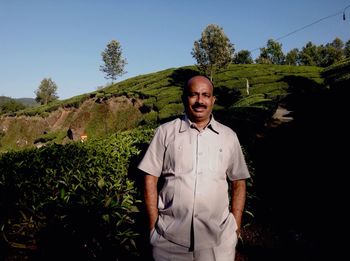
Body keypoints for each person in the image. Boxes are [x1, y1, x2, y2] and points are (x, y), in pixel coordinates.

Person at [138, 75, 250, 260]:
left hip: (218, 242)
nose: (200, 101)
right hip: (169, 242)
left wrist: (235, 227)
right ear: (184, 98)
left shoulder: (229, 136)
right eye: (194, 95)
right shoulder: (165, 132)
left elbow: (239, 180)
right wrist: (153, 227)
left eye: (205, 95)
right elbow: (150, 177)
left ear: (213, 100)